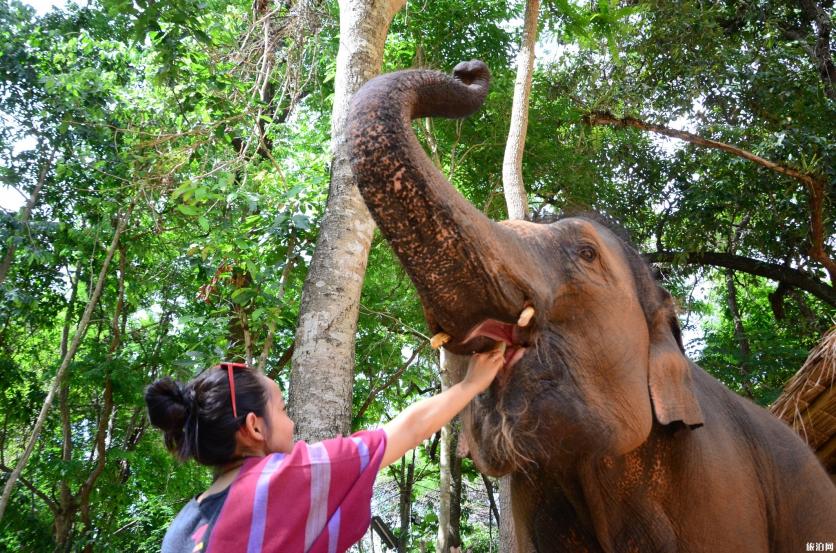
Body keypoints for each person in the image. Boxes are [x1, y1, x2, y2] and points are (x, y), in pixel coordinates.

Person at [145, 346, 505, 553]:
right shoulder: (280, 480)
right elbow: (406, 431)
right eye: (282, 410)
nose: (291, 424)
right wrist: (473, 383)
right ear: (254, 427)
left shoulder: (181, 528)